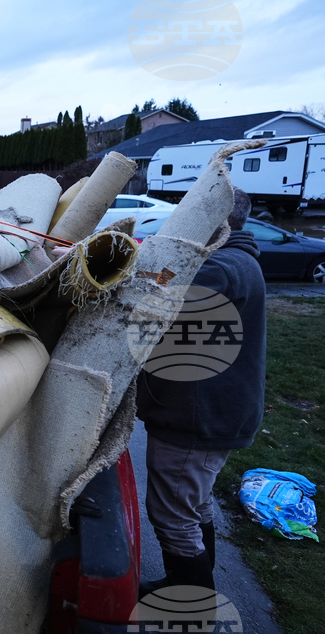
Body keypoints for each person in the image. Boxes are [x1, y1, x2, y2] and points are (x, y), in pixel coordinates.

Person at [138, 187, 266, 592]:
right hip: (216, 410)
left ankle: (190, 612)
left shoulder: (220, 268)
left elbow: (154, 301)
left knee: (173, 516)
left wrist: (123, 272)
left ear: (214, 220)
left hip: (198, 416)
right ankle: (186, 586)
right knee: (195, 506)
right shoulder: (234, 260)